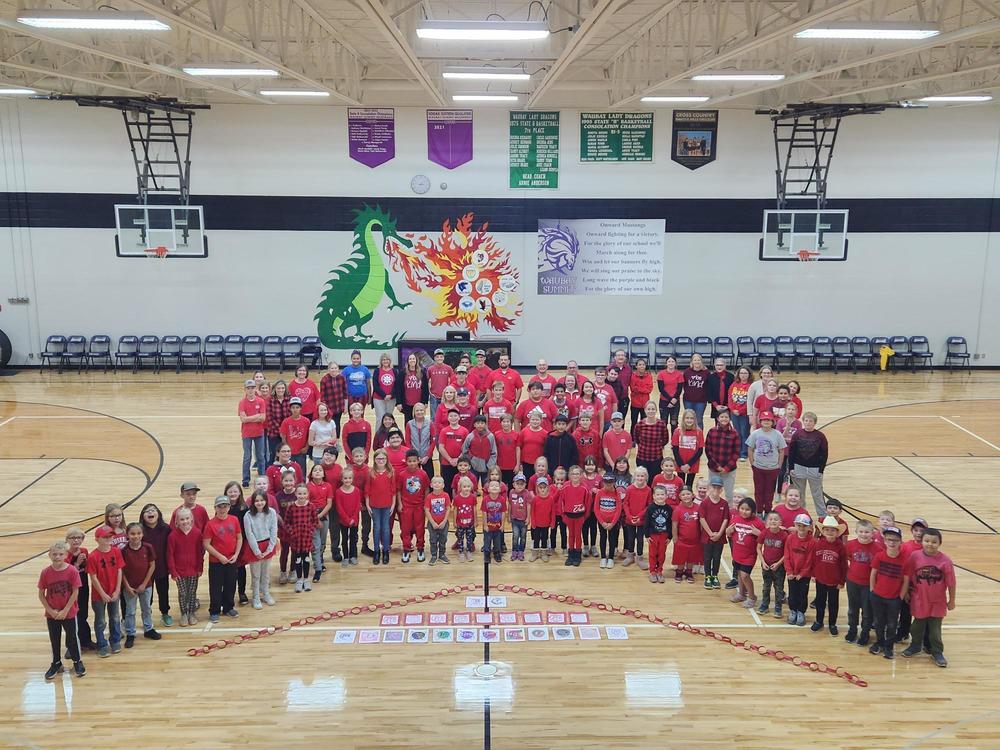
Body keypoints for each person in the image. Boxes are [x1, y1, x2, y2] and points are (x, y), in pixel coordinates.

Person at [900, 527, 956, 667]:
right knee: (917, 626)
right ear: (922, 541)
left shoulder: (945, 561)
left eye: (934, 542)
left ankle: (937, 651)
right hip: (919, 599)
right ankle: (915, 646)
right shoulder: (915, 556)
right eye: (927, 541)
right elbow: (907, 576)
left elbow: (951, 583)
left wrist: (952, 600)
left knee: (935, 630)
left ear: (940, 543)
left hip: (938, 601)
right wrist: (905, 592)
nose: (930, 544)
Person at [39, 541, 85, 679]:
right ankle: (56, 663)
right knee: (54, 638)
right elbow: (41, 594)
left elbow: (75, 592)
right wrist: (50, 610)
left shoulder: (72, 571)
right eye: (54, 554)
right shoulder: (46, 572)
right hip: (52, 613)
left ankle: (77, 662)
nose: (57, 557)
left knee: (72, 638)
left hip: (69, 612)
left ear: (66, 555)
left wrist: (65, 610)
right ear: (49, 555)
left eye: (60, 554)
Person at [119, 522, 161, 648]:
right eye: (132, 534)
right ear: (127, 535)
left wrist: (144, 584)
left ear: (142, 534)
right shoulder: (124, 551)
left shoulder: (148, 547)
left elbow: (152, 565)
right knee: (130, 611)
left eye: (138, 533)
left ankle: (148, 629)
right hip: (130, 588)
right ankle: (130, 633)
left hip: (146, 586)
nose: (135, 536)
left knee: (146, 608)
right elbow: (121, 570)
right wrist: (126, 586)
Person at [203, 495, 243, 622]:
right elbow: (206, 544)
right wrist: (219, 556)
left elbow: (239, 538)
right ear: (215, 508)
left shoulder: (234, 520)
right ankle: (214, 610)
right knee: (215, 587)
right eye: (219, 506)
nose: (222, 509)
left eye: (225, 506)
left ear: (229, 507)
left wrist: (236, 554)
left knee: (231, 585)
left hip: (231, 560)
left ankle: (228, 607)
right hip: (216, 562)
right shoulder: (210, 524)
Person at [86, 525, 124, 657]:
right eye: (105, 537)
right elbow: (93, 577)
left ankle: (115, 641)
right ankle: (102, 644)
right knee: (101, 620)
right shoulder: (93, 556)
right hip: (99, 595)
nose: (108, 538)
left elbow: (119, 570)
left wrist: (118, 589)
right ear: (97, 539)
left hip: (114, 592)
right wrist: (102, 594)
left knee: (115, 617)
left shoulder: (116, 552)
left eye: (110, 536)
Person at [844, 519, 882, 646]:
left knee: (867, 611)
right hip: (852, 582)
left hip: (868, 585)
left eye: (867, 532)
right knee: (852, 610)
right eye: (861, 531)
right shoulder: (850, 545)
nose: (864, 534)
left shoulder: (878, 549)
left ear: (872, 533)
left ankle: (865, 633)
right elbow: (848, 558)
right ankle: (852, 630)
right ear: (856, 532)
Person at [869, 525, 905, 658]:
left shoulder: (904, 559)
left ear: (900, 542)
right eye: (889, 539)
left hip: (894, 599)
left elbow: (906, 580)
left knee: (892, 624)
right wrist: (872, 590)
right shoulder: (879, 556)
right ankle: (879, 643)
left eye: (895, 540)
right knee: (879, 622)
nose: (891, 542)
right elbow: (873, 573)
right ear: (884, 541)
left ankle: (889, 646)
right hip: (877, 596)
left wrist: (900, 596)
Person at [810, 516, 849, 635]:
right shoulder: (818, 544)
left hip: (834, 581)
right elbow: (813, 560)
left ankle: (832, 624)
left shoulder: (841, 547)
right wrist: (813, 575)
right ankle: (819, 621)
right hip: (820, 579)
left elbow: (844, 566)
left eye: (833, 530)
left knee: (833, 604)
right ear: (823, 531)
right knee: (820, 602)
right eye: (827, 530)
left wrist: (842, 581)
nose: (830, 532)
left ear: (837, 532)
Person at [788, 412, 829, 518]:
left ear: (814, 423)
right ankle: (801, 514)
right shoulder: (797, 434)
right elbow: (791, 451)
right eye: (806, 420)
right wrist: (791, 467)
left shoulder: (820, 436)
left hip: (815, 469)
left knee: (817, 494)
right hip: (798, 467)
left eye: (810, 421)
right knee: (799, 493)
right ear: (803, 421)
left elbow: (824, 453)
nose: (808, 423)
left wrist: (821, 470)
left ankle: (823, 516)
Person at [167, 507, 203, 627]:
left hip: (193, 570)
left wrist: (200, 568)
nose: (185, 521)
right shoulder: (173, 536)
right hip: (179, 571)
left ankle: (191, 613)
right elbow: (170, 555)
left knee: (192, 592)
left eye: (187, 518)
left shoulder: (197, 533)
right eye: (182, 519)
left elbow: (200, 552)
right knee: (182, 592)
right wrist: (173, 571)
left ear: (191, 519)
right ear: (177, 521)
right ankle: (184, 613)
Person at [138, 503, 173, 628]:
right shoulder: (140, 531)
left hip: (162, 566)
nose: (150, 513)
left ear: (158, 514)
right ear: (143, 516)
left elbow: (171, 548)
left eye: (153, 510)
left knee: (163, 592)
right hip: (145, 570)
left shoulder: (166, 529)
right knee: (148, 595)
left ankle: (165, 613)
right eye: (146, 511)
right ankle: (147, 615)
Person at [242, 490, 278, 609]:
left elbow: (274, 530)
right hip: (254, 547)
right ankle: (256, 597)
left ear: (266, 501)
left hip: (267, 545)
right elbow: (249, 534)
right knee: (256, 575)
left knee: (265, 574)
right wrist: (257, 551)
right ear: (252, 502)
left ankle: (266, 593)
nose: (259, 503)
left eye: (262, 500)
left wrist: (269, 549)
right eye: (256, 501)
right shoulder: (248, 515)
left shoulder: (272, 512)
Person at [746, 410, 786, 514]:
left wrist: (779, 465)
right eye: (764, 420)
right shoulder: (755, 434)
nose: (766, 422)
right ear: (760, 421)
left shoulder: (778, 434)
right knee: (759, 491)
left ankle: (768, 511)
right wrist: (752, 463)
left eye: (769, 420)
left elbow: (782, 451)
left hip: (773, 468)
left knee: (769, 492)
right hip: (758, 467)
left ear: (772, 422)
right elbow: (750, 449)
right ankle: (759, 511)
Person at [727, 498, 765, 608]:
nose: (744, 511)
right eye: (742, 509)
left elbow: (765, 537)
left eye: (747, 509)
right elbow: (729, 534)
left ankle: (752, 597)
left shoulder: (758, 522)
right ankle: (742, 594)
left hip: (749, 555)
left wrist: (759, 534)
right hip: (737, 553)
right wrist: (727, 532)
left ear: (753, 511)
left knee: (745, 576)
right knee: (739, 574)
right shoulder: (735, 519)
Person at [397, 449, 430, 563]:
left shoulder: (423, 474)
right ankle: (406, 548)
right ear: (406, 461)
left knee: (420, 528)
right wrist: (400, 504)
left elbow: (426, 489)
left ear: (418, 461)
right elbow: (399, 491)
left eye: (414, 461)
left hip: (419, 506)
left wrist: (425, 504)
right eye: (409, 461)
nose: (412, 463)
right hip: (406, 506)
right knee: (405, 529)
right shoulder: (402, 475)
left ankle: (420, 548)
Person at [65, 528, 94, 651]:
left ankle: (86, 641)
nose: (76, 540)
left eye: (79, 537)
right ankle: (71, 647)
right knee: (72, 617)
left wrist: (86, 562)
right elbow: (66, 574)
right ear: (67, 540)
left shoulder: (84, 551)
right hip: (70, 589)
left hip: (83, 587)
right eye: (73, 538)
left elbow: (87, 569)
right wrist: (77, 564)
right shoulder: (65, 554)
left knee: (83, 614)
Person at [285, 484, 319, 592]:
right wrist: (292, 532)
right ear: (295, 494)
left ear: (308, 494)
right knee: (297, 559)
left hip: (306, 538)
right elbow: (287, 523)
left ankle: (306, 579)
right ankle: (299, 579)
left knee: (306, 558)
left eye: (304, 493)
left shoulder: (311, 506)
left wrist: (310, 530)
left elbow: (315, 521)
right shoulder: (291, 507)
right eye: (299, 493)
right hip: (296, 539)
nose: (302, 496)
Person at [699, 476, 730, 590]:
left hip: (719, 537)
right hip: (707, 536)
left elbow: (726, 519)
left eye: (719, 488)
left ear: (722, 489)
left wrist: (719, 533)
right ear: (709, 488)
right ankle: (707, 576)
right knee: (707, 557)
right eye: (714, 487)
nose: (716, 490)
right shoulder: (705, 503)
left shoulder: (724, 503)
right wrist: (710, 533)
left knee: (717, 557)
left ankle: (715, 576)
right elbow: (702, 519)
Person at [366, 449, 396, 566]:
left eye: (383, 458)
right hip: (374, 505)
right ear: (374, 460)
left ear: (386, 460)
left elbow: (393, 490)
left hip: (387, 505)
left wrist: (393, 504)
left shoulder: (391, 472)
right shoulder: (371, 473)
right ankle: (376, 551)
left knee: (386, 529)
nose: (381, 461)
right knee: (377, 528)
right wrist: (368, 505)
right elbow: (367, 490)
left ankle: (385, 551)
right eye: (378, 459)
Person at [784, 513, 814, 626]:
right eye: (799, 525)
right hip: (792, 574)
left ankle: (801, 612)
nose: (801, 528)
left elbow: (810, 560)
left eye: (804, 526)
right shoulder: (790, 538)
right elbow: (787, 555)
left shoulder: (812, 541)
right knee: (792, 594)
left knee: (802, 594)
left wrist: (802, 573)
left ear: (809, 527)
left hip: (804, 575)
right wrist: (789, 571)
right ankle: (793, 611)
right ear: (795, 525)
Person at [757, 512, 787, 618]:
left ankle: (778, 608)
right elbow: (758, 548)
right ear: (766, 522)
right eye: (770, 519)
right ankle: (765, 605)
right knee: (766, 586)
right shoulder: (764, 533)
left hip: (779, 567)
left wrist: (778, 563)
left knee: (778, 588)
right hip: (766, 565)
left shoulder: (784, 535)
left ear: (780, 522)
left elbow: (786, 553)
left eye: (775, 519)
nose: (773, 521)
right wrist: (763, 562)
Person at [238, 378, 268, 488]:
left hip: (259, 432)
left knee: (261, 455)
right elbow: (243, 419)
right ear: (245, 389)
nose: (250, 390)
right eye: (248, 388)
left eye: (252, 388)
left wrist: (249, 418)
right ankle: (245, 479)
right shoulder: (242, 402)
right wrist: (257, 416)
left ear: (255, 389)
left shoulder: (260, 401)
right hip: (246, 433)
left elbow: (263, 418)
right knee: (247, 456)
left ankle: (262, 477)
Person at [704, 408, 740, 499]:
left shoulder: (734, 433)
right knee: (712, 493)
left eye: (726, 417)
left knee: (729, 494)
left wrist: (726, 468)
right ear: (717, 418)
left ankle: (729, 511)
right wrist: (717, 466)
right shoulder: (712, 431)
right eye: (722, 417)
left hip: (729, 470)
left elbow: (736, 452)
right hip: (713, 469)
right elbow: (708, 450)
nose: (724, 419)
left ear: (730, 418)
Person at [306, 464, 334, 581]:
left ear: (323, 474)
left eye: (320, 470)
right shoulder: (307, 486)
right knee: (315, 544)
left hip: (324, 517)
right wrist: (315, 517)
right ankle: (317, 569)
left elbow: (329, 504)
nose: (317, 472)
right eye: (315, 470)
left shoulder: (328, 486)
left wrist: (320, 516)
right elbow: (306, 502)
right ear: (311, 474)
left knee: (322, 542)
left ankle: (319, 560)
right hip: (311, 518)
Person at [560, 465, 591, 567]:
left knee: (578, 535)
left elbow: (588, 503)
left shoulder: (585, 488)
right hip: (568, 516)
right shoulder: (565, 486)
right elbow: (561, 502)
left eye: (577, 473)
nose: (575, 475)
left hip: (579, 516)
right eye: (573, 473)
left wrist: (584, 516)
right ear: (569, 475)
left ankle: (578, 554)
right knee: (571, 535)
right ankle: (571, 554)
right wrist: (563, 515)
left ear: (581, 475)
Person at [622, 466, 652, 569]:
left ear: (646, 477)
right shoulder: (630, 488)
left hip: (642, 520)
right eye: (638, 476)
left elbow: (649, 505)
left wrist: (639, 516)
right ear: (634, 477)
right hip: (630, 519)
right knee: (630, 538)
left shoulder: (648, 490)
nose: (640, 478)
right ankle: (630, 556)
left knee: (640, 539)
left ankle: (639, 558)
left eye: (642, 476)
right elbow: (625, 503)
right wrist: (629, 516)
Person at [671, 487, 702, 583]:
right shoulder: (678, 509)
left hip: (695, 540)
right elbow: (674, 525)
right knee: (680, 558)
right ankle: (679, 572)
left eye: (688, 494)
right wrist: (675, 537)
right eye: (683, 495)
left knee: (691, 558)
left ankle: (689, 572)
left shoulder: (698, 507)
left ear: (693, 495)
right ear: (680, 497)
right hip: (681, 540)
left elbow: (701, 523)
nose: (686, 496)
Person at [644, 486, 673, 583]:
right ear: (654, 496)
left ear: (666, 496)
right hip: (653, 535)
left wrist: (670, 536)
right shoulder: (650, 508)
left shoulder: (669, 509)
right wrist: (647, 535)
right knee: (652, 554)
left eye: (662, 494)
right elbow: (646, 522)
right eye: (658, 494)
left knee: (661, 554)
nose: (660, 496)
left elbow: (670, 523)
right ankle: (652, 572)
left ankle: (659, 571)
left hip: (664, 535)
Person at [593, 472, 622, 569]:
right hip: (602, 521)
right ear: (603, 482)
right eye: (606, 482)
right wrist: (602, 522)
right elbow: (596, 509)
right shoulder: (600, 493)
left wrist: (613, 523)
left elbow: (618, 509)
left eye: (610, 482)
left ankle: (610, 558)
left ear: (614, 482)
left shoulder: (617, 493)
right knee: (603, 538)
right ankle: (603, 557)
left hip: (613, 522)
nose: (608, 484)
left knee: (612, 539)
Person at [335, 467, 362, 565]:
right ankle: (346, 556)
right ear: (342, 479)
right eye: (345, 478)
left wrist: (353, 519)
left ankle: (353, 556)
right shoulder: (338, 492)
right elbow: (339, 508)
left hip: (354, 521)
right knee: (345, 539)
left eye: (350, 478)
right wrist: (347, 519)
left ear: (352, 478)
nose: (347, 480)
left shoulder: (357, 491)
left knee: (353, 539)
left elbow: (357, 505)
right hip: (343, 521)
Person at [671, 408, 704, 489]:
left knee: (689, 486)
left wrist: (689, 465)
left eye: (691, 418)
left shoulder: (698, 432)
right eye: (687, 418)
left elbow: (700, 451)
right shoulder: (677, 431)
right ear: (683, 419)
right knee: (681, 486)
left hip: (692, 464)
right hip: (680, 464)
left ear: (695, 420)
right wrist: (681, 465)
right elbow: (675, 449)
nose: (689, 420)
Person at [462, 415, 498, 485]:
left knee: (487, 486)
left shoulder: (490, 436)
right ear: (474, 425)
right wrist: (470, 461)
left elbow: (494, 452)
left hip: (487, 467)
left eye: (482, 423)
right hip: (473, 467)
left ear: (485, 424)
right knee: (472, 486)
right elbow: (464, 450)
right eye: (478, 423)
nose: (480, 425)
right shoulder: (470, 436)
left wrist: (489, 466)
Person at [727, 367, 753, 460]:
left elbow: (750, 401)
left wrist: (741, 411)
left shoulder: (751, 386)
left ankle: (744, 453)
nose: (743, 375)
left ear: (749, 374)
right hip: (734, 413)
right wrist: (732, 409)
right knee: (737, 433)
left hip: (744, 414)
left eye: (745, 373)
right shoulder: (734, 384)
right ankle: (737, 452)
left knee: (744, 432)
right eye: (741, 373)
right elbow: (730, 397)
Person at [424, 475, 451, 565]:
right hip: (432, 524)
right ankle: (434, 556)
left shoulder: (446, 495)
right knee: (433, 540)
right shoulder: (429, 497)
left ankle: (442, 555)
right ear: (431, 485)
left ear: (443, 485)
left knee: (443, 539)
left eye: (439, 482)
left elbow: (448, 509)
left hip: (444, 523)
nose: (437, 484)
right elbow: (427, 510)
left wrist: (444, 521)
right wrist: (432, 522)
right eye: (435, 482)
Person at [280, 397, 311, 475]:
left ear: (300, 408)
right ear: (290, 409)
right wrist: (287, 449)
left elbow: (309, 436)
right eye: (293, 407)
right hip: (290, 453)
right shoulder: (286, 422)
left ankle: (302, 485)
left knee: (302, 471)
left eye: (297, 407)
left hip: (301, 451)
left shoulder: (306, 421)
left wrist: (306, 447)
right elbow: (283, 437)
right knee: (289, 472)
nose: (295, 409)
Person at [397, 353, 428, 425]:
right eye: (410, 359)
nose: (412, 360)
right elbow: (398, 389)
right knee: (408, 423)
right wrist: (398, 402)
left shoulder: (422, 372)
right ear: (407, 361)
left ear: (416, 360)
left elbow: (425, 389)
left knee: (419, 422)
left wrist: (425, 402)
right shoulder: (402, 373)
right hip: (407, 403)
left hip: (419, 403)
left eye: (413, 359)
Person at [481, 481, 507, 564]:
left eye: (496, 486)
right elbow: (484, 513)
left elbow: (503, 513)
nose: (494, 487)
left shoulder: (502, 500)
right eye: (492, 486)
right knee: (487, 541)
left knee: (497, 542)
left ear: (500, 489)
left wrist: (503, 525)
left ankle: (497, 553)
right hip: (488, 526)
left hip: (498, 526)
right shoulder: (485, 499)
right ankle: (487, 554)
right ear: (488, 489)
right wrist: (485, 525)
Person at [265, 380, 291, 464]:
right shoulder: (270, 400)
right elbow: (270, 418)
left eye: (282, 388)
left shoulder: (290, 399)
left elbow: (291, 417)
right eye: (278, 388)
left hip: (288, 433)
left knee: (287, 455)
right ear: (275, 389)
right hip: (274, 433)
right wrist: (280, 431)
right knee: (274, 455)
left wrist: (284, 431)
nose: (281, 390)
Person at [319, 363, 347, 439]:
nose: (334, 370)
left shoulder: (342, 378)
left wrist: (346, 406)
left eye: (335, 368)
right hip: (329, 407)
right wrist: (324, 409)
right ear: (328, 369)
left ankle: (336, 441)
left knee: (337, 423)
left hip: (339, 406)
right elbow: (322, 395)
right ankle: (328, 440)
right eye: (332, 368)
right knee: (329, 423)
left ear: (338, 369)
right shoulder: (324, 379)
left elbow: (345, 393)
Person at [530, 476, 555, 561]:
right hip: (536, 524)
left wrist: (552, 522)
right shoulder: (535, 499)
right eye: (540, 488)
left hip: (546, 524)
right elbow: (532, 512)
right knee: (536, 539)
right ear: (537, 488)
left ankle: (544, 553)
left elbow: (553, 512)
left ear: (548, 488)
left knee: (545, 538)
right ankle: (535, 554)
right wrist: (532, 522)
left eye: (544, 487)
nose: (542, 489)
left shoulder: (551, 499)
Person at [406, 402, 434, 478]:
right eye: (417, 410)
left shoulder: (430, 423)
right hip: (414, 458)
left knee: (429, 477)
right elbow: (408, 442)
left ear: (424, 411)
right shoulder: (409, 424)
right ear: (414, 412)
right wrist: (413, 456)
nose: (419, 412)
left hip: (426, 457)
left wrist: (428, 456)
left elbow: (433, 441)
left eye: (421, 410)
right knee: (414, 479)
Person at [453, 476, 478, 562]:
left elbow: (474, 509)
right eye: (464, 487)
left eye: (468, 486)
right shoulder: (456, 498)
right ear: (460, 487)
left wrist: (476, 520)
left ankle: (469, 551)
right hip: (460, 523)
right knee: (460, 538)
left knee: (470, 538)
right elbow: (455, 510)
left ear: (471, 487)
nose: (466, 488)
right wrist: (454, 521)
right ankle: (461, 552)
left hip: (470, 523)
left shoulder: (473, 497)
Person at [656, 356, 684, 432]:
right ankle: (663, 440)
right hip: (664, 401)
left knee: (674, 422)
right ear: (666, 363)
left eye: (672, 361)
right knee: (663, 422)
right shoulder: (661, 374)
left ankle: (673, 441)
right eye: (669, 361)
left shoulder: (679, 374)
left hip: (675, 402)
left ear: (675, 363)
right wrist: (670, 400)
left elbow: (679, 389)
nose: (671, 363)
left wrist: (673, 400)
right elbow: (661, 389)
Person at [682, 353, 710, 428]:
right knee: (688, 419)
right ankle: (688, 437)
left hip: (701, 401)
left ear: (701, 361)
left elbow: (708, 386)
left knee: (699, 420)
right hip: (688, 400)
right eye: (695, 360)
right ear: (692, 361)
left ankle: (699, 438)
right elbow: (683, 385)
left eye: (698, 360)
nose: (697, 362)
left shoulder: (706, 372)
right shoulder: (687, 371)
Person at [508, 473, 531, 562]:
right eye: (518, 484)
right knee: (515, 536)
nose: (520, 486)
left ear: (525, 484)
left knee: (523, 536)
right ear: (514, 484)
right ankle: (514, 551)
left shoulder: (527, 493)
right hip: (514, 519)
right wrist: (509, 516)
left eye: (522, 484)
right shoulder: (511, 492)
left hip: (523, 520)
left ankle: (521, 551)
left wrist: (528, 518)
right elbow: (509, 504)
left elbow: (529, 506)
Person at [309, 402, 338, 470]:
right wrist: (322, 444)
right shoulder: (314, 424)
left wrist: (322, 442)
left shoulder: (332, 422)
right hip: (317, 454)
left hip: (330, 454)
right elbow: (310, 442)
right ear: (317, 411)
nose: (324, 412)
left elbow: (334, 438)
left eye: (325, 410)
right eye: (321, 410)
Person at [426, 348, 454, 419]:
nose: (439, 358)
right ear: (434, 358)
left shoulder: (448, 368)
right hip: (434, 396)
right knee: (433, 417)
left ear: (443, 358)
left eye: (441, 356)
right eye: (437, 357)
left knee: (445, 416)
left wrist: (449, 392)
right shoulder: (430, 369)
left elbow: (453, 381)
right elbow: (427, 381)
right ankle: (434, 430)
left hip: (445, 396)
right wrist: (429, 392)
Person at [494, 413, 520, 487]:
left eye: (508, 422)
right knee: (501, 486)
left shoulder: (516, 435)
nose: (506, 424)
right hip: (500, 465)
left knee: (512, 487)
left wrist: (518, 464)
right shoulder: (496, 434)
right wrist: (495, 464)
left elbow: (518, 450)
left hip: (512, 466)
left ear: (511, 423)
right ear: (500, 423)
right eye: (504, 422)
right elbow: (495, 450)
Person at [628, 359, 653, 433]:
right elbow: (633, 389)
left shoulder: (649, 376)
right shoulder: (633, 376)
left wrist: (638, 388)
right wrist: (643, 389)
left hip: (645, 404)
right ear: (636, 366)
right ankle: (633, 438)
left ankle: (642, 437)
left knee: (644, 422)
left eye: (643, 365)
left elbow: (649, 389)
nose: (642, 366)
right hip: (635, 404)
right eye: (640, 365)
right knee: (634, 422)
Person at [706, 358, 734, 423]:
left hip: (728, 405)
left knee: (727, 423)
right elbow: (709, 392)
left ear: (725, 366)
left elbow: (732, 392)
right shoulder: (711, 377)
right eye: (717, 365)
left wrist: (727, 405)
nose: (719, 367)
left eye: (721, 365)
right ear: (715, 366)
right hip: (716, 406)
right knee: (717, 423)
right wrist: (716, 405)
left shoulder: (731, 377)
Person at [372, 352, 397, 423]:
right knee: (380, 418)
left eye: (387, 359)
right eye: (383, 359)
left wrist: (390, 395)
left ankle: (389, 434)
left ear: (390, 361)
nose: (385, 361)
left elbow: (396, 385)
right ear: (381, 361)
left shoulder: (394, 371)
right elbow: (375, 386)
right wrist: (384, 395)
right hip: (378, 398)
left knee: (389, 418)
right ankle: (379, 434)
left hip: (391, 399)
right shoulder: (377, 371)